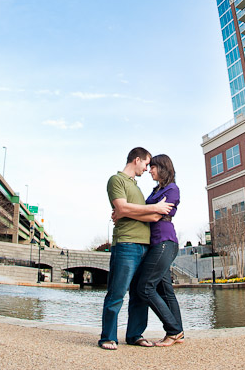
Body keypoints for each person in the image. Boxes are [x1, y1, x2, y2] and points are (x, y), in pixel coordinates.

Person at [99, 147, 173, 350]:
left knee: (140, 294)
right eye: (147, 163)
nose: (148, 168)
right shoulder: (117, 180)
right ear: (137, 160)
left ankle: (135, 334)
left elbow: (149, 216)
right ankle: (108, 337)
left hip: (145, 247)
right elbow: (122, 207)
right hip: (126, 244)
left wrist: (130, 212)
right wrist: (150, 208)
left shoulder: (138, 189)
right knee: (117, 292)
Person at [124, 153, 184, 346]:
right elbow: (150, 209)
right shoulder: (154, 191)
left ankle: (173, 330)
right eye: (149, 167)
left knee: (145, 287)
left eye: (153, 167)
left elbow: (159, 215)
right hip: (155, 243)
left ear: (163, 168)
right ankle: (178, 332)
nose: (150, 170)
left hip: (164, 242)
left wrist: (127, 213)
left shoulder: (173, 189)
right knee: (165, 289)